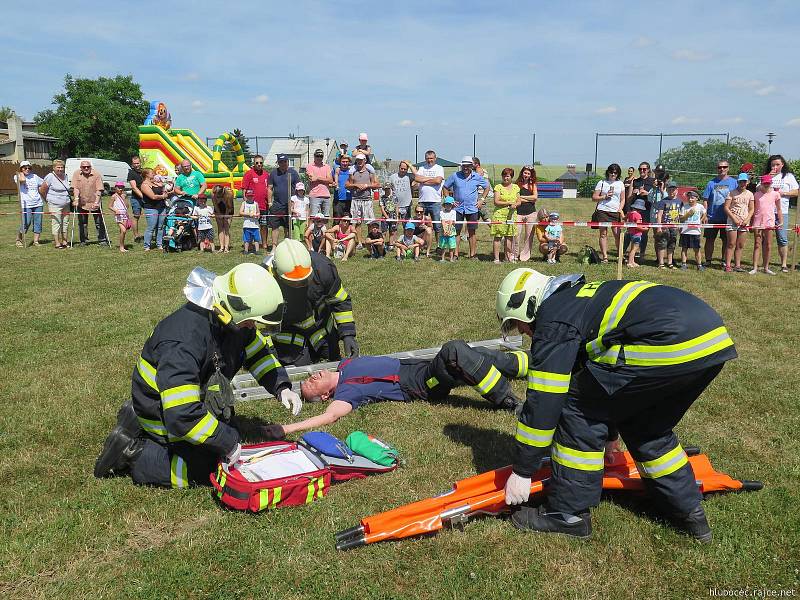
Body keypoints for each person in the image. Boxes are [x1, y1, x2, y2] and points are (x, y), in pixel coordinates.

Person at [497, 268, 737, 541]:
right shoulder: (577, 300)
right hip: (711, 342)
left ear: (527, 304)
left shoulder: (554, 318)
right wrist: (611, 436)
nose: (526, 333)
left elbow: (545, 400)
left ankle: (567, 514)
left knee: (575, 405)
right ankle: (687, 513)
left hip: (668, 344)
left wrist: (522, 471)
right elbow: (607, 386)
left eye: (520, 324)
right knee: (647, 426)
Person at [93, 263, 302, 487]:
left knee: (222, 443)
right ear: (233, 307)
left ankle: (136, 421)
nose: (254, 327)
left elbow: (257, 354)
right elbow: (182, 415)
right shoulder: (183, 341)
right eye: (252, 321)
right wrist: (228, 442)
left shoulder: (233, 322)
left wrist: (282, 387)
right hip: (162, 412)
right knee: (207, 468)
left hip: (184, 401)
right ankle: (136, 453)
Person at [264, 340, 526, 439]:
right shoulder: (346, 393)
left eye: (309, 377)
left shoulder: (345, 364)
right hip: (423, 384)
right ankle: (508, 401)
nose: (313, 375)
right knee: (454, 351)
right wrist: (286, 429)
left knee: (475, 354)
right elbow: (328, 417)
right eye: (311, 383)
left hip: (420, 367)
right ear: (324, 395)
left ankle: (529, 363)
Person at [265, 239, 359, 365]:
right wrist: (269, 350)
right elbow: (260, 324)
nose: (300, 284)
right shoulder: (265, 281)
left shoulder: (323, 268)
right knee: (299, 374)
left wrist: (348, 334)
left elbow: (339, 301)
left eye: (305, 280)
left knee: (333, 367)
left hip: (322, 332)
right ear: (277, 272)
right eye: (293, 282)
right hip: (289, 339)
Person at [444, 157, 490, 259]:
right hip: (458, 209)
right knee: (456, 232)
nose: (465, 168)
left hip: (472, 209)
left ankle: (472, 255)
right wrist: (449, 199)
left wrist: (481, 199)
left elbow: (487, 187)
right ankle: (455, 254)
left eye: (468, 166)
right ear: (461, 166)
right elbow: (445, 187)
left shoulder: (477, 176)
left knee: (472, 232)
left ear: (471, 166)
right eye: (464, 166)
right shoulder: (455, 176)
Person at [762, 155, 798, 273]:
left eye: (777, 164)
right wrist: (769, 177)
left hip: (782, 212)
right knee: (765, 239)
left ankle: (783, 264)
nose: (775, 167)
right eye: (773, 165)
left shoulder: (788, 177)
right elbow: (758, 189)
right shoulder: (766, 175)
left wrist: (784, 193)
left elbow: (797, 191)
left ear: (782, 164)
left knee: (782, 238)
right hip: (767, 212)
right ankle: (764, 264)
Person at [701, 160, 738, 268]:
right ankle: (708, 260)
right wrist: (705, 214)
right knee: (709, 239)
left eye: (724, 167)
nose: (722, 169)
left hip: (728, 217)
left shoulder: (734, 182)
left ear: (728, 168)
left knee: (726, 240)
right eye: (719, 167)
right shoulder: (711, 183)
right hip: (712, 217)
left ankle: (724, 260)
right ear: (717, 169)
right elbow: (705, 200)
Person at [591, 164, 625, 263]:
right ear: (608, 172)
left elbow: (623, 199)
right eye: (611, 172)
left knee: (617, 234)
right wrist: (604, 196)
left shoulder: (620, 184)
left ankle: (620, 256)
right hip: (602, 211)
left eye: (615, 172)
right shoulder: (601, 182)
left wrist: (620, 209)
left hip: (615, 212)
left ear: (618, 173)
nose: (613, 174)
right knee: (603, 234)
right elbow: (594, 198)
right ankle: (605, 257)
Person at [750, 175, 782, 276]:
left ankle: (766, 267)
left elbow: (779, 209)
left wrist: (780, 221)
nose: (766, 184)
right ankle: (755, 267)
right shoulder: (756, 194)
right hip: (757, 222)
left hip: (770, 222)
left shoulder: (776, 194)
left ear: (771, 183)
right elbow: (753, 209)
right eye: (765, 183)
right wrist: (751, 222)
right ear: (762, 183)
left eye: (768, 183)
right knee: (757, 244)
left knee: (768, 245)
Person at [723, 173, 754, 273]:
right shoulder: (731, 193)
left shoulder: (750, 194)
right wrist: (734, 219)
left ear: (748, 182)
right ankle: (727, 265)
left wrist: (747, 219)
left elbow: (752, 208)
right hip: (732, 221)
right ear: (738, 182)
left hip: (744, 222)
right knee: (731, 244)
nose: (743, 183)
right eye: (741, 181)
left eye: (744, 181)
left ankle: (737, 265)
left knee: (740, 245)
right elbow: (726, 207)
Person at [346, 153, 379, 247]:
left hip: (367, 200)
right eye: (358, 160)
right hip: (356, 200)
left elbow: (376, 185)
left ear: (365, 160)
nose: (359, 162)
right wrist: (356, 185)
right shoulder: (353, 172)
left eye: (361, 160)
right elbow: (347, 185)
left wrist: (367, 186)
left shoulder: (370, 172)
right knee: (357, 223)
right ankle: (359, 242)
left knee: (370, 222)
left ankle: (369, 241)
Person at [269, 154, 300, 250]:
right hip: (277, 204)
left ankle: (287, 247)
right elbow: (270, 188)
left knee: (288, 226)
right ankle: (274, 247)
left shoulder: (293, 173)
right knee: (275, 226)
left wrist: (296, 203)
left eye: (284, 161)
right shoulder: (273, 173)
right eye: (280, 162)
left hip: (290, 205)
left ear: (287, 162)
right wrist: (270, 202)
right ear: (278, 163)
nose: (283, 164)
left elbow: (298, 187)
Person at [413, 150, 445, 241]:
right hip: (422, 201)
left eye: (431, 158)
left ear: (435, 158)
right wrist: (432, 179)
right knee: (421, 225)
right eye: (427, 158)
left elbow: (438, 181)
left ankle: (439, 245)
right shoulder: (422, 168)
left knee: (437, 226)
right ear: (425, 159)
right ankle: (423, 244)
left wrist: (423, 181)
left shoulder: (439, 168)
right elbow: (416, 178)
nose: (429, 160)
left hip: (435, 201)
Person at [40, 160, 71, 249]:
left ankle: (65, 241)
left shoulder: (65, 176)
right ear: (54, 168)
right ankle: (57, 243)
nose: (60, 169)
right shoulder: (50, 176)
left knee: (65, 223)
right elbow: (42, 190)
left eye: (62, 167)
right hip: (54, 204)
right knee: (56, 223)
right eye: (58, 167)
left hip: (66, 203)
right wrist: (47, 200)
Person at [625, 162, 654, 258]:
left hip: (647, 210)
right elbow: (628, 198)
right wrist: (633, 193)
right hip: (635, 211)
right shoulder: (635, 181)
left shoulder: (653, 181)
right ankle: (623, 253)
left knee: (644, 232)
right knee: (629, 231)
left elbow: (657, 198)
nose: (642, 171)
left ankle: (642, 253)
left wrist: (647, 193)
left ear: (648, 170)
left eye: (644, 169)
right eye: (640, 169)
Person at [241, 155, 271, 246]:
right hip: (252, 206)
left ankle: (264, 244)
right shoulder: (249, 173)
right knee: (250, 226)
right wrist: (245, 201)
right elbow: (244, 189)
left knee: (264, 225)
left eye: (261, 163)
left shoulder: (266, 174)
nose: (259, 164)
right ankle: (249, 244)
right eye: (257, 163)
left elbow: (270, 188)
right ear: (254, 164)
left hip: (263, 205)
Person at [492, 168, 520, 264]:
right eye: (504, 175)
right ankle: (496, 258)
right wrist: (508, 203)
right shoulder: (498, 187)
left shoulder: (516, 187)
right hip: (499, 215)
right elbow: (496, 202)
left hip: (512, 215)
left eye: (507, 176)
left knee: (509, 236)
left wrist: (515, 204)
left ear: (511, 177)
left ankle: (508, 257)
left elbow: (519, 201)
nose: (505, 178)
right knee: (498, 237)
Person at [14, 161, 45, 247]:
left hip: (38, 203)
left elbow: (43, 184)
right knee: (26, 223)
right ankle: (18, 239)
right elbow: (22, 180)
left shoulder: (35, 176)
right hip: (26, 204)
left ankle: (36, 241)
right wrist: (21, 173)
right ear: (21, 169)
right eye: (25, 168)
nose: (27, 170)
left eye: (29, 168)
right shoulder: (17, 176)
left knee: (38, 223)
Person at [654, 182, 682, 269]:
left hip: (674, 227)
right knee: (662, 244)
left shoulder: (680, 202)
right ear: (667, 190)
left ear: (677, 190)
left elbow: (680, 215)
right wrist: (659, 227)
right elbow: (659, 215)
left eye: (673, 189)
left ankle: (670, 263)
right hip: (664, 227)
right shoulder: (663, 201)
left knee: (672, 245)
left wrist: (680, 226)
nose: (672, 191)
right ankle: (661, 263)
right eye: (670, 189)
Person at [139, 168, 168, 251]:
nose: (154, 174)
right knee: (151, 227)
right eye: (152, 173)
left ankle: (159, 244)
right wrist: (163, 196)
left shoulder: (155, 183)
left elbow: (162, 189)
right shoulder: (144, 185)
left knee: (160, 227)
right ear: (146, 175)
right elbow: (153, 196)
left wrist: (164, 190)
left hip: (161, 207)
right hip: (151, 208)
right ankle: (146, 246)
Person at [514, 166, 539, 261]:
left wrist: (522, 197)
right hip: (518, 213)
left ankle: (525, 256)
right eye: (525, 173)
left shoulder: (533, 185)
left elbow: (535, 198)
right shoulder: (516, 185)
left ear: (531, 175)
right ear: (522, 173)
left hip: (531, 213)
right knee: (516, 234)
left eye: (528, 173)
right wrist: (528, 198)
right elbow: (516, 198)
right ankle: (515, 255)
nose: (526, 175)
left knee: (529, 236)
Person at [678, 190, 705, 270]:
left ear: (697, 198)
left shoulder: (700, 206)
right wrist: (688, 214)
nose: (690, 199)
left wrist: (701, 220)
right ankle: (683, 264)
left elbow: (704, 213)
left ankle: (699, 265)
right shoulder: (684, 207)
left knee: (697, 249)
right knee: (684, 248)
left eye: (692, 197)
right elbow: (681, 219)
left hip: (696, 231)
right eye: (689, 197)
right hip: (685, 231)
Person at [306, 149, 334, 218]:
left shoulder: (327, 166)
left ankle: (324, 229)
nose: (319, 158)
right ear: (314, 156)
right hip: (314, 195)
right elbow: (312, 179)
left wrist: (318, 178)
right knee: (313, 217)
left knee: (326, 217)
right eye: (317, 156)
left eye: (321, 156)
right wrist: (325, 179)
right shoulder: (310, 166)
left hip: (326, 195)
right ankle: (312, 229)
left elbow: (330, 180)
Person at [108, 182, 130, 252]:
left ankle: (122, 245)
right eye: (119, 187)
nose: (120, 189)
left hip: (125, 214)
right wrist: (115, 210)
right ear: (115, 188)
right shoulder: (114, 196)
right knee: (123, 230)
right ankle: (121, 247)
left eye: (122, 187)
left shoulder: (124, 195)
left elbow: (127, 206)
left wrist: (125, 199)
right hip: (118, 215)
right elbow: (110, 206)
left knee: (123, 231)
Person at [212, 185, 234, 253]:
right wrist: (219, 214)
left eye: (218, 196)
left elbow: (229, 207)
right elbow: (215, 205)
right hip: (218, 208)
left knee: (226, 228)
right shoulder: (213, 193)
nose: (217, 197)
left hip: (228, 209)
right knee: (220, 228)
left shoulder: (229, 194)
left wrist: (226, 216)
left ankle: (226, 247)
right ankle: (221, 247)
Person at [127, 156, 144, 242]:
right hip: (136, 198)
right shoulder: (131, 173)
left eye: (138, 163)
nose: (136, 165)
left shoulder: (144, 172)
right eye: (135, 164)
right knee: (136, 216)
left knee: (151, 215)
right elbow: (134, 187)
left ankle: (152, 234)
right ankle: (136, 236)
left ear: (140, 163)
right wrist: (143, 196)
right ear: (132, 164)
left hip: (148, 197)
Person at [240, 189, 261, 254]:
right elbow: (240, 212)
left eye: (251, 196)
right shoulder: (244, 203)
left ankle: (257, 251)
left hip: (255, 225)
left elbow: (258, 213)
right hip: (247, 224)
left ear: (253, 196)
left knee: (256, 239)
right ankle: (246, 250)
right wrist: (249, 214)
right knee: (246, 239)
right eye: (248, 196)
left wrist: (257, 215)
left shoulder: (256, 203)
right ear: (246, 196)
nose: (250, 197)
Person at [333, 154, 353, 220]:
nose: (345, 163)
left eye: (346, 162)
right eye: (343, 161)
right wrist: (333, 184)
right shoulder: (336, 170)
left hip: (349, 199)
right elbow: (330, 182)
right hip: (338, 200)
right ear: (340, 162)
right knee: (337, 220)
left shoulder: (351, 170)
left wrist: (346, 155)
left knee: (348, 221)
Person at [379, 182, 398, 247]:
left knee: (392, 231)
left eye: (388, 188)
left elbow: (396, 207)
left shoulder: (394, 197)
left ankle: (391, 244)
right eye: (386, 189)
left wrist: (397, 216)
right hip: (385, 217)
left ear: (391, 188)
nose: (387, 190)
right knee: (384, 231)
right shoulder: (382, 198)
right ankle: (382, 244)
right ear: (384, 189)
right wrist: (387, 217)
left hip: (393, 216)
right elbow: (382, 208)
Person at [439, 197, 458, 263]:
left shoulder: (454, 212)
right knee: (443, 246)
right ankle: (442, 258)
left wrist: (449, 231)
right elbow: (443, 221)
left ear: (452, 205)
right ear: (444, 205)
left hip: (451, 231)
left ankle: (451, 258)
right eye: (446, 204)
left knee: (451, 246)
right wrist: (445, 230)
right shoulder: (441, 212)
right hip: (443, 231)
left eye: (449, 204)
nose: (448, 206)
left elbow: (451, 221)